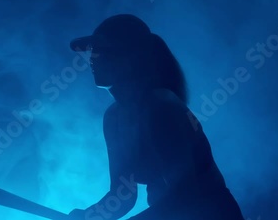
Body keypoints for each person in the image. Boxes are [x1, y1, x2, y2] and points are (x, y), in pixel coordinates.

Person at [64, 14, 244, 220]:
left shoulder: (163, 108)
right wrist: (90, 216)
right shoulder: (113, 118)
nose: (92, 59)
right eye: (92, 52)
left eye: (102, 51)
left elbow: (184, 196)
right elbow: (122, 196)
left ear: (131, 57)